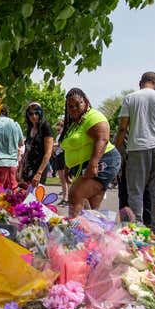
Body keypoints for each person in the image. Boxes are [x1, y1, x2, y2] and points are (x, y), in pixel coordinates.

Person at [115, 72, 155, 235]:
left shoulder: (130, 98)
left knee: (135, 190)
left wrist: (117, 147)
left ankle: (137, 227)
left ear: (140, 82)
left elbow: (123, 127)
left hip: (137, 147)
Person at [59, 88, 121, 217]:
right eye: (70, 106)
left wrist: (93, 165)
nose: (74, 108)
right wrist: (67, 167)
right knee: (90, 212)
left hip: (104, 161)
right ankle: (89, 234)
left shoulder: (93, 116)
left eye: (78, 104)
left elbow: (102, 139)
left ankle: (73, 233)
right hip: (84, 166)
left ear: (85, 102)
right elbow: (71, 147)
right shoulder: (74, 123)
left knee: (76, 194)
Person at [20, 102, 54, 188]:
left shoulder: (45, 126)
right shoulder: (29, 128)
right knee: (24, 198)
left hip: (39, 169)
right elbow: (27, 151)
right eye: (31, 114)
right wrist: (20, 169)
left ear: (40, 113)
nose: (34, 116)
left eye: (36, 113)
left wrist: (39, 173)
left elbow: (48, 153)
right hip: (28, 168)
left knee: (35, 198)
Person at [53, 120, 70, 205]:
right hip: (58, 156)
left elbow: (61, 144)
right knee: (62, 180)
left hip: (64, 156)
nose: (58, 131)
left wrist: (53, 145)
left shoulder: (65, 135)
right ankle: (64, 198)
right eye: (57, 130)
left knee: (66, 179)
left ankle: (69, 198)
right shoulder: (58, 136)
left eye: (59, 129)